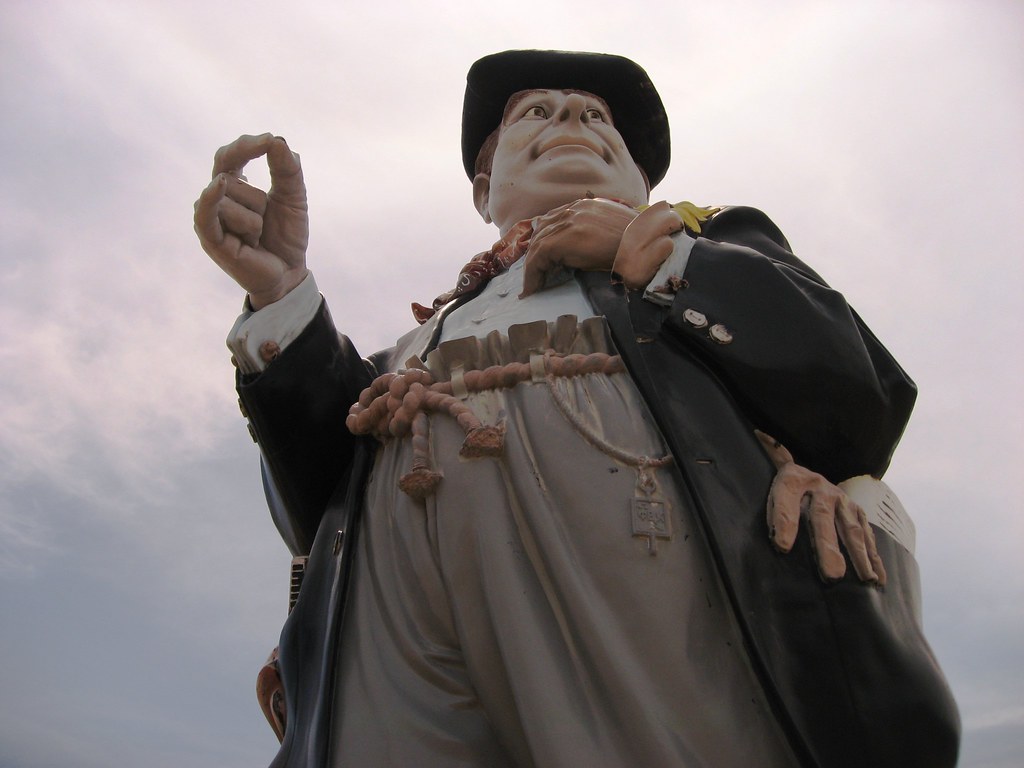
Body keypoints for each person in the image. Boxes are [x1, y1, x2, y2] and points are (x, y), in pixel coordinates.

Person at [194, 50, 958, 768]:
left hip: (638, 568)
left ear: (639, 181)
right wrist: (282, 297)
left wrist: (660, 256)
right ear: (483, 187)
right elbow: (318, 501)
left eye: (596, 118)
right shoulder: (429, 330)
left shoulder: (704, 245)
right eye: (537, 112)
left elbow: (859, 396)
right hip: (394, 608)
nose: (571, 123)